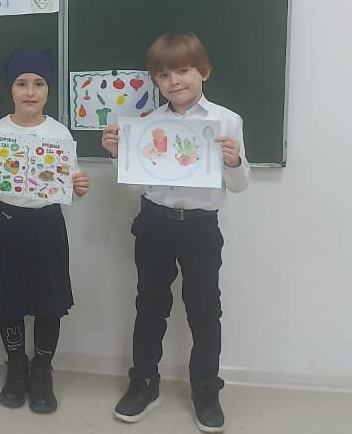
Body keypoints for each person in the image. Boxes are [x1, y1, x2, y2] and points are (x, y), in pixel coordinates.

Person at [103, 32, 249, 433]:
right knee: (150, 306)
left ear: (204, 71)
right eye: (164, 75)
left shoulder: (227, 121)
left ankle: (205, 389)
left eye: (183, 71)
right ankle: (144, 383)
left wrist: (234, 161)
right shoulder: (147, 124)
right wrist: (118, 155)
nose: (174, 81)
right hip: (154, 223)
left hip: (201, 228)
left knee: (205, 311)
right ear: (156, 81)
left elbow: (239, 186)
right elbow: (137, 187)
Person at [0, 49, 90, 414]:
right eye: (22, 83)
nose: (30, 92)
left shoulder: (59, 133)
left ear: (49, 90)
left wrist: (79, 189)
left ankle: (43, 369)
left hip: (46, 225)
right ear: (10, 89)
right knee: (9, 300)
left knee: (49, 302)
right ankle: (16, 365)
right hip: (5, 224)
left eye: (39, 84)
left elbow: (67, 186)